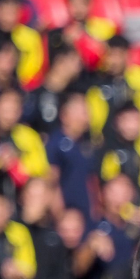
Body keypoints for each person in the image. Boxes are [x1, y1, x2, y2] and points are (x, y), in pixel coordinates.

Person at [99, 102, 140, 217]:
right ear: (117, 121)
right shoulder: (109, 150)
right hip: (118, 215)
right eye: (127, 120)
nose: (131, 126)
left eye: (135, 120)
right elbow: (110, 188)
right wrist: (128, 213)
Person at [47, 91, 98, 220]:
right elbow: (52, 182)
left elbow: (91, 181)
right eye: (83, 112)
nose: (87, 118)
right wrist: (60, 214)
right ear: (65, 115)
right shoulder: (55, 143)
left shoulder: (86, 144)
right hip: (67, 217)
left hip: (86, 215)